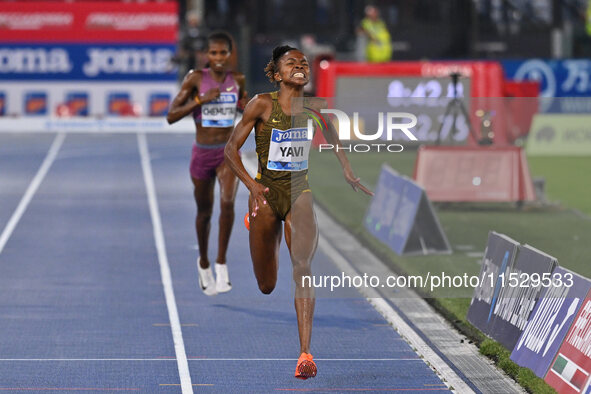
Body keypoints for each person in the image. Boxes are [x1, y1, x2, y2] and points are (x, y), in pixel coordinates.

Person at [224, 45, 372, 379]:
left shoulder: (315, 107)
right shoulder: (261, 104)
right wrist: (250, 185)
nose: (300, 66)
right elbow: (230, 149)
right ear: (277, 75)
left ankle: (305, 353)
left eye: (304, 63)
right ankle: (259, 225)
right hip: (265, 193)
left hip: (298, 193)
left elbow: (332, 134)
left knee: (303, 267)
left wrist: (346, 169)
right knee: (266, 285)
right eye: (292, 63)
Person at [167, 31, 247, 296]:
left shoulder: (238, 80)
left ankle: (222, 263)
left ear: (230, 54)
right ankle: (203, 262)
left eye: (223, 52)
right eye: (213, 53)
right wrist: (200, 100)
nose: (218, 58)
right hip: (203, 153)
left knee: (227, 202)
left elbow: (245, 107)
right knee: (205, 213)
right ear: (206, 55)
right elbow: (171, 116)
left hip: (227, 153)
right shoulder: (195, 79)